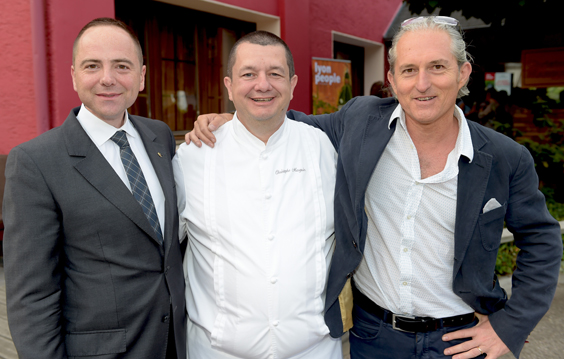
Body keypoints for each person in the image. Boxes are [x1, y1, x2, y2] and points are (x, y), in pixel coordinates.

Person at [185, 16, 562, 359]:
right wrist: (232, 120)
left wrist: (510, 326)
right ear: (393, 78)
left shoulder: (504, 156)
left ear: (463, 73)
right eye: (409, 70)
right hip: (374, 336)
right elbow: (284, 119)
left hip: (462, 340)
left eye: (437, 68)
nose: (423, 83)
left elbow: (543, 241)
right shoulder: (361, 122)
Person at [3, 18, 186, 358]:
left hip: (174, 342)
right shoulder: (35, 162)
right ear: (74, 75)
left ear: (141, 76)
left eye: (122, 66)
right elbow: (31, 296)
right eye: (92, 66)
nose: (108, 78)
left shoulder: (159, 136)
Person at [174, 31, 341, 358]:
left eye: (275, 74)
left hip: (315, 350)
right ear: (229, 86)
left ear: (293, 85)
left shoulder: (324, 148)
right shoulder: (192, 157)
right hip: (216, 351)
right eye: (248, 74)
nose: (262, 85)